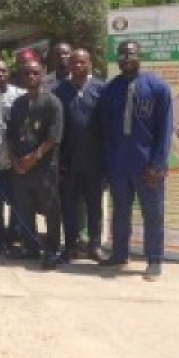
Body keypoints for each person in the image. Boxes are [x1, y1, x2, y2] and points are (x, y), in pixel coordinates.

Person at [98, 40, 172, 281]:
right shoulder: (110, 89)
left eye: (130, 54)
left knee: (153, 213)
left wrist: (158, 164)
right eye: (122, 55)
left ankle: (154, 260)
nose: (126, 59)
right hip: (119, 164)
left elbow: (165, 129)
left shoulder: (157, 87)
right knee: (120, 212)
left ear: (140, 56)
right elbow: (105, 130)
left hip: (147, 165)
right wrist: (107, 165)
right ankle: (119, 254)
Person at [5, 60, 63, 270]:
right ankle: (30, 248)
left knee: (50, 210)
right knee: (24, 209)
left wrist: (34, 157)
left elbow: (54, 137)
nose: (30, 76)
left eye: (35, 73)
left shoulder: (52, 103)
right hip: (21, 168)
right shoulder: (18, 104)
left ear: (42, 74)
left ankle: (52, 250)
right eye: (26, 73)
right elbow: (10, 135)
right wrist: (15, 161)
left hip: (44, 168)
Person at [52, 49, 105, 263]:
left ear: (90, 63)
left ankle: (94, 246)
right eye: (74, 62)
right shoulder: (60, 90)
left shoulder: (101, 89)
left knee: (95, 206)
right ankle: (70, 247)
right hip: (69, 160)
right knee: (69, 206)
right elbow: (56, 127)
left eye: (82, 62)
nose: (78, 66)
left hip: (95, 160)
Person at [0, 59, 25, 255]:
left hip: (16, 158)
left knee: (18, 201)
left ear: (9, 73)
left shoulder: (19, 94)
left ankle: (15, 238)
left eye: (3, 71)